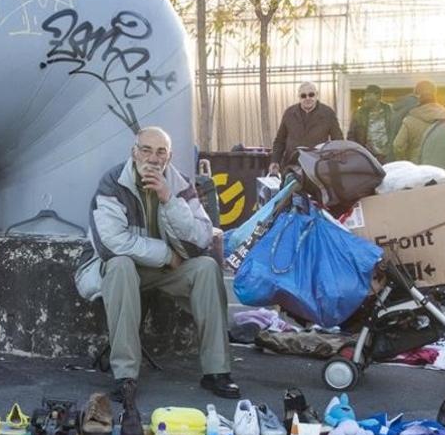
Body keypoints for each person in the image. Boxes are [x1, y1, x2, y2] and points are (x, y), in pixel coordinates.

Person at [74, 126, 240, 400]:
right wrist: (167, 255)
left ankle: (216, 372)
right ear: (134, 152)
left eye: (160, 152)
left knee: (207, 268)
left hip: (165, 272)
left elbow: (201, 237)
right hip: (124, 270)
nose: (153, 158)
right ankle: (126, 376)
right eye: (146, 150)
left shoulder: (180, 184)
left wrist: (169, 199)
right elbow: (112, 243)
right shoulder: (113, 183)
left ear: (169, 156)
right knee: (121, 265)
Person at [269, 82, 342, 174]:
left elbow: (338, 141)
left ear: (317, 95)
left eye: (311, 95)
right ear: (299, 97)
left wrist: (335, 164)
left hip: (317, 168)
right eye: (303, 96)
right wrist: (275, 161)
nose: (308, 98)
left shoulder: (328, 113)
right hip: (292, 166)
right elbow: (280, 141)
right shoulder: (289, 113)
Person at [393, 80, 445, 163]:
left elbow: (398, 146)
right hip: (440, 165)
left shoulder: (410, 119)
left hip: (417, 166)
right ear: (434, 94)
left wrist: (405, 161)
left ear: (417, 96)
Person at [347, 84, 394, 162]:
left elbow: (396, 133)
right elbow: (351, 136)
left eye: (368, 95)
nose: (365, 98)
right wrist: (358, 153)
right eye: (365, 96)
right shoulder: (359, 114)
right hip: (367, 157)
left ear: (378, 96)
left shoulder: (390, 111)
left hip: (387, 157)